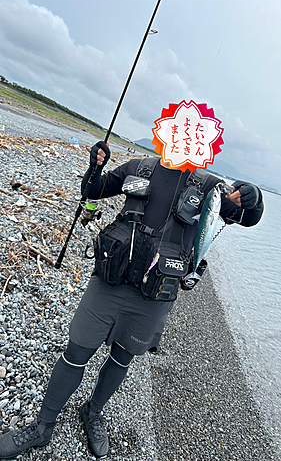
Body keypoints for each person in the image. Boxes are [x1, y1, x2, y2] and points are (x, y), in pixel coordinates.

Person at [0, 141, 264, 459]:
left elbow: (248, 217)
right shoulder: (139, 168)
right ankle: (43, 426)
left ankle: (93, 411)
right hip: (110, 281)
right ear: (165, 135)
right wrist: (96, 166)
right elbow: (94, 190)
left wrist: (252, 196)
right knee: (76, 352)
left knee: (123, 358)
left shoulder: (211, 188)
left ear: (202, 143)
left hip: (154, 296)